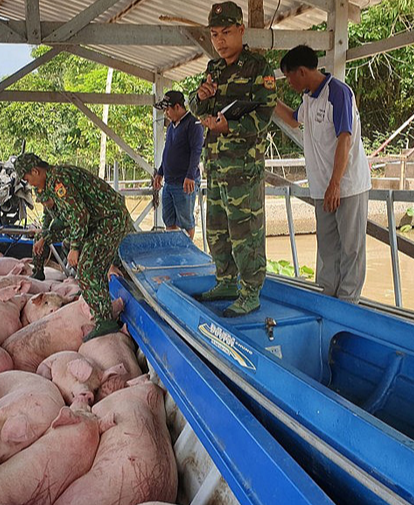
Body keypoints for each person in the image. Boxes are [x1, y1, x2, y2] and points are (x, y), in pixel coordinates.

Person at [188, 1, 276, 317]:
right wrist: (199, 98)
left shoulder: (258, 68)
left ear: (241, 30)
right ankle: (225, 280)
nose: (220, 40)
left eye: (226, 32)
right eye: (214, 34)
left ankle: (250, 291)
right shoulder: (214, 69)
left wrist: (231, 126)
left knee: (246, 231)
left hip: (244, 167)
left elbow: (265, 115)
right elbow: (196, 110)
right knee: (217, 229)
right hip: (216, 164)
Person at [275, 45, 371, 303]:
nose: (289, 82)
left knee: (351, 248)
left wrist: (335, 184)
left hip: (347, 186)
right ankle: (327, 298)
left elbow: (345, 138)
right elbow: (295, 120)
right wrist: (270, 99)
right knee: (327, 247)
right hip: (322, 187)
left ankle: (349, 302)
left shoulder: (338, 93)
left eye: (289, 76)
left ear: (303, 71)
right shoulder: (309, 97)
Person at [14, 153, 134, 340]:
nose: (28, 183)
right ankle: (96, 302)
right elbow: (68, 219)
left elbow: (79, 216)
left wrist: (75, 247)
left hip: (109, 220)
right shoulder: (54, 180)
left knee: (88, 267)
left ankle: (105, 320)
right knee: (89, 267)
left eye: (27, 178)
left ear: (35, 171)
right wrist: (46, 237)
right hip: (100, 221)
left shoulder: (58, 181)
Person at [152, 90, 204, 238]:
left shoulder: (194, 124)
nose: (166, 113)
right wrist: (160, 172)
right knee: (169, 220)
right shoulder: (171, 127)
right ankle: (173, 252)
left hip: (184, 182)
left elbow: (196, 151)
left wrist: (190, 176)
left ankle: (186, 255)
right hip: (169, 181)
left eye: (167, 109)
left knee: (186, 223)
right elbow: (167, 152)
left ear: (177, 107)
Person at [31, 196, 67, 281]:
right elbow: (47, 220)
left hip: (69, 231)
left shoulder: (63, 204)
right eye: (42, 203)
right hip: (58, 231)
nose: (45, 204)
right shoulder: (48, 206)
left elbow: (58, 224)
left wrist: (43, 238)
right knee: (38, 236)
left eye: (46, 201)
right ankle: (38, 271)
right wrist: (42, 233)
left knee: (43, 238)